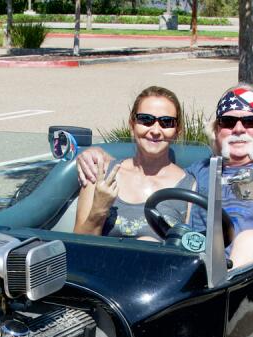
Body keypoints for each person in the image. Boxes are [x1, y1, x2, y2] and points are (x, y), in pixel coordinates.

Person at [77, 84, 253, 268]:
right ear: (216, 132)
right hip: (195, 268)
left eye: (251, 121)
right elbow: (150, 160)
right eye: (228, 122)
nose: (239, 129)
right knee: (147, 243)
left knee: (251, 239)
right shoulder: (196, 173)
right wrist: (95, 153)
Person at [73, 85, 197, 242]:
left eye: (166, 122)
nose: (156, 130)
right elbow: (77, 245)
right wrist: (99, 209)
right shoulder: (100, 173)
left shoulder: (190, 187)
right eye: (146, 120)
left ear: (177, 130)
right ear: (132, 125)